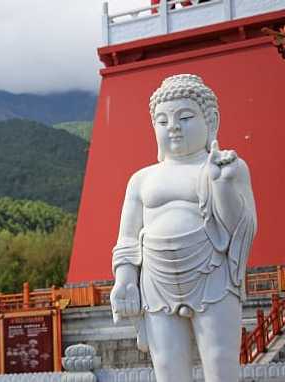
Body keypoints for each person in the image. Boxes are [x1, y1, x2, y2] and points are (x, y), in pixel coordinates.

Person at [110, 74, 257, 382]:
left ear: (210, 120)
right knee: (167, 368)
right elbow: (127, 235)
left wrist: (223, 185)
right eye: (162, 122)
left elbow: (238, 227)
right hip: (155, 281)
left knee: (220, 364)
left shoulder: (225, 166)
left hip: (212, 274)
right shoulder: (141, 179)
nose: (173, 127)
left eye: (185, 117)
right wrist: (124, 276)